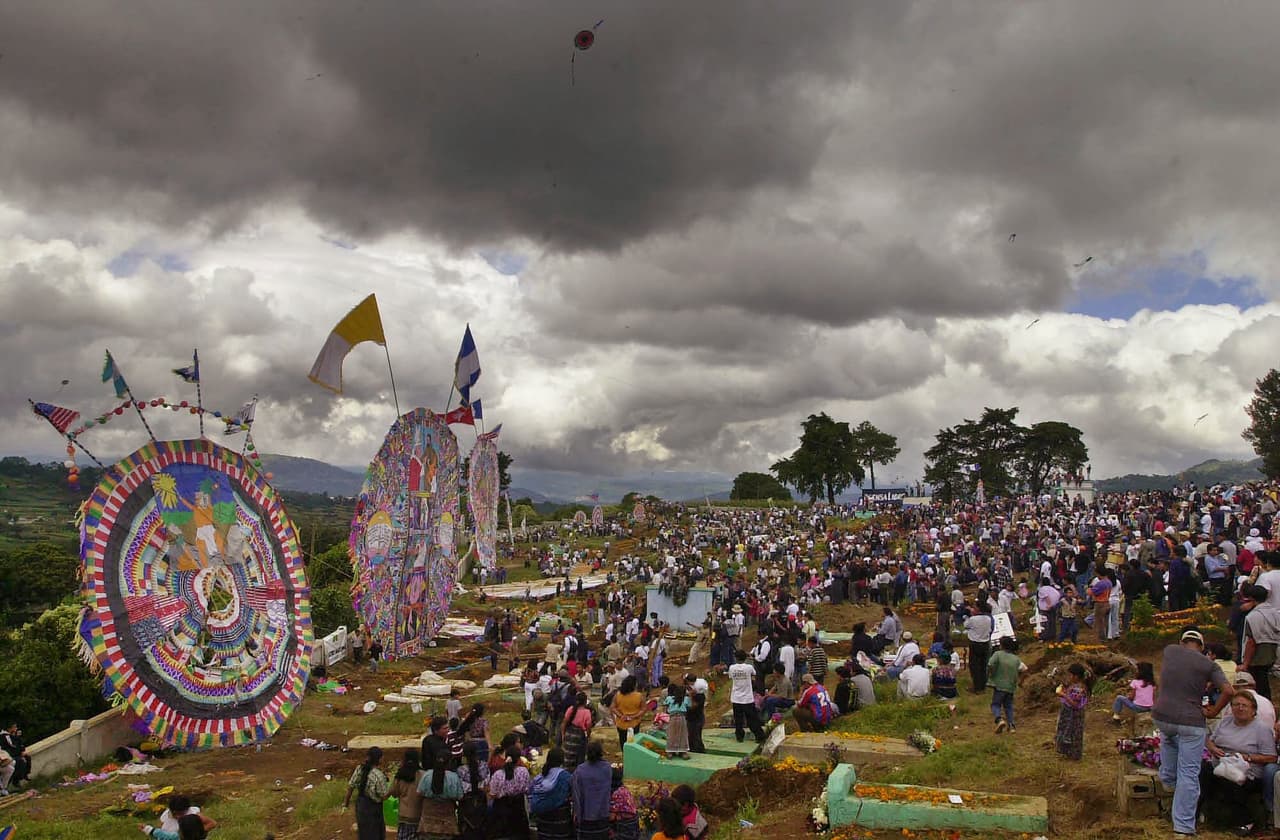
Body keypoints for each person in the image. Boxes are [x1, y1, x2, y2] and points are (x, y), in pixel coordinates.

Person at [1153, 629, 1234, 837]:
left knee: (1169, 744)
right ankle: (1183, 827)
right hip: (1191, 721)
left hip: (1163, 716)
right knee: (1189, 773)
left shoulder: (1170, 651)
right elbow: (1228, 691)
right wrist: (1214, 711)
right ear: (1203, 647)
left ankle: (1168, 782)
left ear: (1182, 642)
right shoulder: (1209, 664)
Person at [1199, 690, 1276, 835]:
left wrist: (1246, 756)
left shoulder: (1261, 729)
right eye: (1236, 705)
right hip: (1220, 763)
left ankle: (1246, 821)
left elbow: (1271, 757)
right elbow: (1210, 741)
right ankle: (1197, 812)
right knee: (1201, 771)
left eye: (1244, 705)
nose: (1240, 708)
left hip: (1247, 769)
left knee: (1230, 780)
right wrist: (1213, 748)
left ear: (1253, 710)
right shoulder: (1225, 722)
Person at [344, 747, 390, 840]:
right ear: (380, 759)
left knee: (364, 832)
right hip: (374, 809)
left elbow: (350, 786)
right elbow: (384, 796)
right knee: (375, 833)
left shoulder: (359, 768)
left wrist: (345, 803)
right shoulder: (379, 775)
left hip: (361, 805)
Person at [417, 748, 464, 839]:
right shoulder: (453, 777)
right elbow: (460, 796)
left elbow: (419, 792)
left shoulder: (427, 775)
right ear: (450, 762)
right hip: (447, 820)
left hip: (428, 819)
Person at [486, 746, 531, 840]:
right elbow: (527, 789)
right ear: (518, 759)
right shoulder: (523, 771)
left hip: (501, 810)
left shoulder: (498, 774)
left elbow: (492, 794)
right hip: (519, 809)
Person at [528, 747, 573, 840]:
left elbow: (531, 793)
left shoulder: (540, 777)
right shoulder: (565, 777)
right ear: (562, 760)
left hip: (543, 821)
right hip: (560, 822)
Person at [571, 741, 613, 840]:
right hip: (603, 815)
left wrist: (577, 814)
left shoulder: (580, 770)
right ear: (601, 752)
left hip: (586, 817)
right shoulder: (607, 768)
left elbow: (576, 795)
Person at [987, 636, 1027, 734]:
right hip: (1011, 686)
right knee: (1008, 706)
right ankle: (1012, 726)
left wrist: (991, 674)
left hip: (999, 685)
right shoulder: (1016, 659)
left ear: (1001, 646)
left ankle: (999, 720)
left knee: (995, 704)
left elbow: (990, 665)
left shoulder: (997, 654)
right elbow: (1024, 669)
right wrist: (1020, 681)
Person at [729, 649, 766, 743]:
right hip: (747, 698)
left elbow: (731, 677)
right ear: (745, 658)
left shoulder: (732, 668)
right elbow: (754, 674)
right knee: (752, 719)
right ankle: (759, 735)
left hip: (736, 697)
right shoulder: (749, 667)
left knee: (738, 719)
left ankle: (739, 736)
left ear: (736, 658)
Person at [1054, 664, 1090, 760]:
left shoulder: (1079, 689)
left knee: (1073, 733)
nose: (1069, 677)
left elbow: (1075, 704)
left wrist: (1063, 695)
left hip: (1074, 716)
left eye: (1070, 675)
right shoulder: (1075, 686)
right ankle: (1069, 753)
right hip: (1070, 715)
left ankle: (1073, 754)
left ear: (1076, 676)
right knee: (1070, 732)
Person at [390, 750, 425, 840]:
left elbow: (393, 793)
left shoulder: (399, 775)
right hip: (417, 815)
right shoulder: (422, 775)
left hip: (403, 815)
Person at [609, 674, 646, 750]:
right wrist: (634, 716)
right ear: (634, 685)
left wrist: (620, 716)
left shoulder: (618, 695)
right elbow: (643, 709)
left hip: (621, 723)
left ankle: (624, 756)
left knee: (623, 742)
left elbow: (612, 707)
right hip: (634, 723)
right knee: (633, 743)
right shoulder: (639, 696)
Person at [964, 604, 995, 693]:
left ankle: (977, 687)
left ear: (978, 610)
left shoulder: (973, 619)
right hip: (985, 643)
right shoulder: (988, 619)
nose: (972, 609)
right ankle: (982, 686)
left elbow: (966, 625)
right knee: (982, 665)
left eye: (974, 608)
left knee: (975, 666)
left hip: (975, 644)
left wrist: (967, 617)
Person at [561, 691, 595, 770]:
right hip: (579, 736)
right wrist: (588, 736)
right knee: (579, 757)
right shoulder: (586, 712)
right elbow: (588, 727)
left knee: (568, 755)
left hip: (569, 734)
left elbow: (564, 723)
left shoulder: (571, 709)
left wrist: (563, 735)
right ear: (585, 702)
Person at [609, 767, 641, 840]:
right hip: (634, 825)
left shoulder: (616, 793)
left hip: (625, 827)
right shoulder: (624, 789)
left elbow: (611, 817)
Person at [662, 683, 692, 759]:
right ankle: (678, 751)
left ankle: (674, 751)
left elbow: (665, 707)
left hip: (673, 718)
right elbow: (689, 707)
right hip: (681, 718)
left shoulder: (670, 698)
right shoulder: (685, 699)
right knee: (682, 734)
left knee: (672, 734)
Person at [0, 725, 30, 792]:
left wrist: (17, 737)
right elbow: (12, 746)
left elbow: (19, 746)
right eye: (14, 727)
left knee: (24, 759)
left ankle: (22, 776)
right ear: (9, 728)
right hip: (9, 755)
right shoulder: (4, 736)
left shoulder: (12, 735)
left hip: (8, 756)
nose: (16, 729)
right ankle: (13, 782)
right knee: (18, 762)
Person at [141, 813, 211, 840]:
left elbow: (166, 835)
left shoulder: (177, 837)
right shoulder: (177, 836)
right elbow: (165, 835)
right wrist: (149, 829)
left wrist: (148, 829)